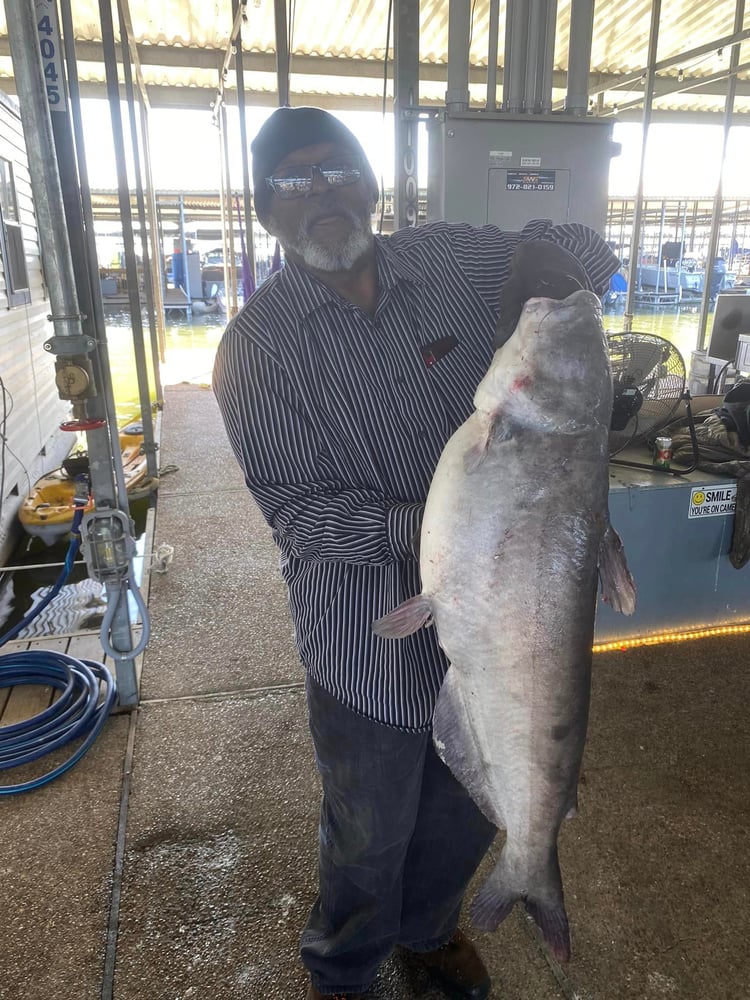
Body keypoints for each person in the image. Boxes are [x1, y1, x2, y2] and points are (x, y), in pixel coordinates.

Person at [212, 106, 619, 1000]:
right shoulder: (256, 352)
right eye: (291, 179)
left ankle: (431, 935)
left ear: (371, 183)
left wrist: (548, 274)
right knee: (368, 836)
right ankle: (347, 967)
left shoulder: (452, 258)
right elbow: (302, 519)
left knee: (468, 815)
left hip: (507, 646)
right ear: (262, 209)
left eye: (338, 168)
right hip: (369, 650)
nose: (319, 191)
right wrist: (465, 532)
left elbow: (583, 243)